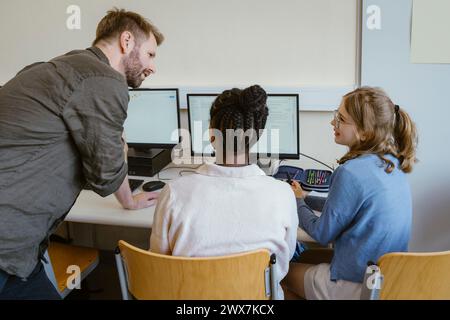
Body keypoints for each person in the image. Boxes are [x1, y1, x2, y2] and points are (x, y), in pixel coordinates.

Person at [0, 9, 164, 299]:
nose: (152, 67)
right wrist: (122, 159)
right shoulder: (104, 80)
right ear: (127, 41)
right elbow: (105, 175)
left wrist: (128, 198)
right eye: (150, 55)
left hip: (19, 252)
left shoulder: (53, 68)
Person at [150, 85, 299, 299]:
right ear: (256, 136)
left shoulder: (173, 192)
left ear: (211, 134)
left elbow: (160, 263)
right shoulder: (283, 194)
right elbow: (282, 265)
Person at [283, 86, 418, 300]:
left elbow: (322, 233)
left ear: (365, 132)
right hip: (386, 282)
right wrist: (307, 198)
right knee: (306, 261)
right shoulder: (391, 164)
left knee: (281, 274)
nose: (332, 123)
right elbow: (348, 207)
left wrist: (297, 201)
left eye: (341, 119)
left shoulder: (350, 172)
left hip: (353, 285)